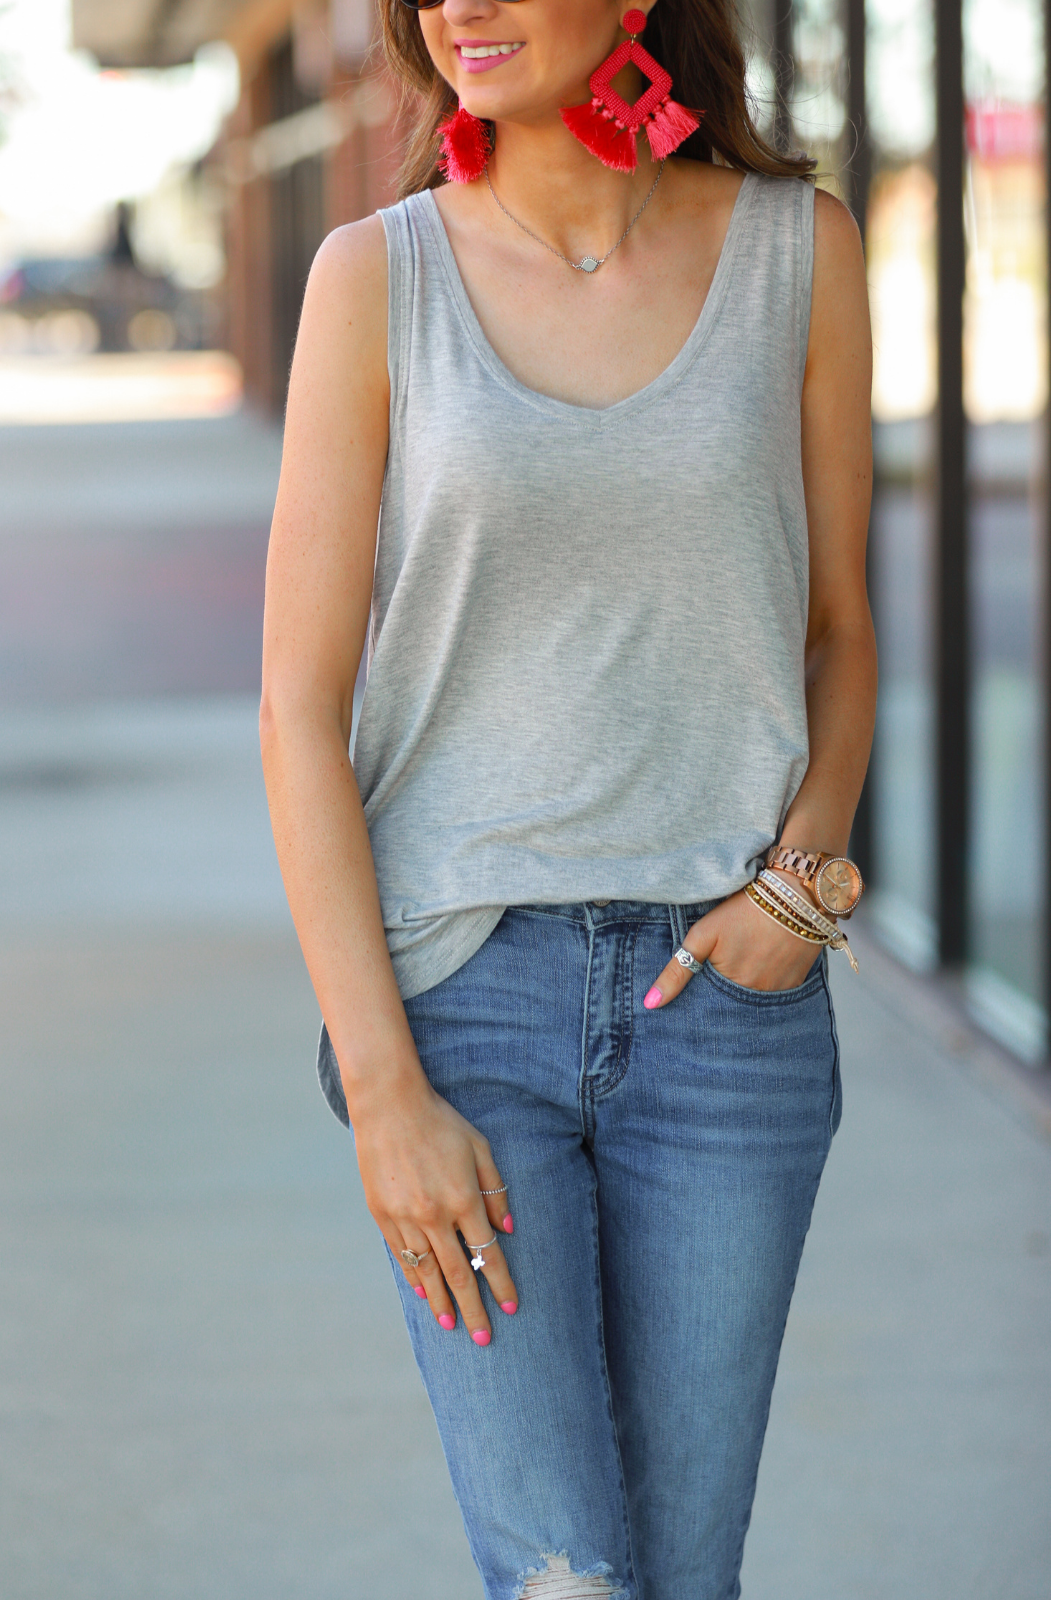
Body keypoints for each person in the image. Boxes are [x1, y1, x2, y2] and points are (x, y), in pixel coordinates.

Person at [259, 0, 876, 1590]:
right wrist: (384, 1093)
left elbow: (841, 628)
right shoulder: (373, 279)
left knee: (685, 1574)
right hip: (465, 1007)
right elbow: (297, 711)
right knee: (567, 1581)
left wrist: (795, 893)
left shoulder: (799, 251)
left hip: (726, 1017)